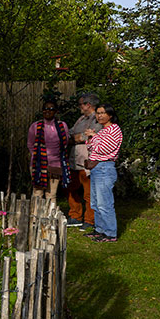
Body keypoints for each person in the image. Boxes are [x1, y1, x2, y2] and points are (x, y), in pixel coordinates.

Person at [83, 103, 122, 243]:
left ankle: (110, 233)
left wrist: (93, 136)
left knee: (104, 203)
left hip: (105, 168)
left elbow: (103, 149)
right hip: (97, 169)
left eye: (103, 113)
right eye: (98, 113)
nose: (99, 116)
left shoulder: (114, 129)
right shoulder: (103, 130)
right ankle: (100, 229)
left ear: (110, 115)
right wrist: (93, 138)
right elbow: (91, 147)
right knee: (96, 202)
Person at [66, 93, 101, 230]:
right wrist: (75, 137)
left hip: (87, 160)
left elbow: (89, 136)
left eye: (81, 104)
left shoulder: (97, 119)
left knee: (89, 192)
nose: (79, 106)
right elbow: (70, 134)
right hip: (75, 160)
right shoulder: (81, 119)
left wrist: (76, 138)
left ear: (88, 105)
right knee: (71, 188)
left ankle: (90, 219)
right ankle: (75, 216)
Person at [26, 100, 70, 200]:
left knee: (51, 194)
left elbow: (65, 143)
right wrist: (38, 157)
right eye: (45, 109)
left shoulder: (62, 126)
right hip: (38, 164)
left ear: (56, 111)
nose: (48, 111)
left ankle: (51, 215)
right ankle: (36, 215)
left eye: (51, 109)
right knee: (37, 193)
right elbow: (30, 144)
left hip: (55, 164)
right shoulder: (35, 126)